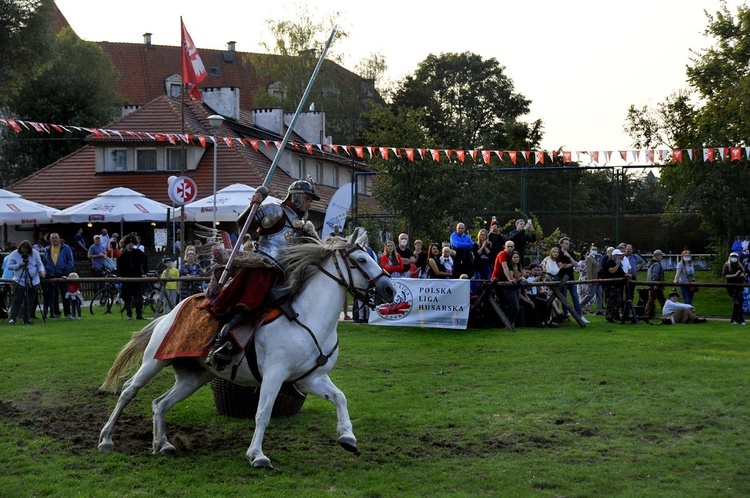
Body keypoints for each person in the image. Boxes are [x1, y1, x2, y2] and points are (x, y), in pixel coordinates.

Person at [206, 180, 321, 368]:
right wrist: (254, 205)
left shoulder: (302, 225)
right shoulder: (276, 211)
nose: (310, 203)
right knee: (248, 306)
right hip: (262, 270)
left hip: (285, 275)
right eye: (308, 199)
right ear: (297, 197)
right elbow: (243, 224)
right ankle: (221, 342)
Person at [6, 240, 45, 325]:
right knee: (17, 299)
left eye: (27, 250)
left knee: (30, 300)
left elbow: (39, 264)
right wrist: (19, 265)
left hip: (33, 280)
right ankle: (13, 319)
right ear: (20, 248)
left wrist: (41, 271)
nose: (25, 251)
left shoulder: (35, 253)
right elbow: (9, 266)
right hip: (19, 280)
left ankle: (27, 319)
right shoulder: (14, 254)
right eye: (23, 250)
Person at [42, 232, 75, 319]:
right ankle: (56, 313)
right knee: (54, 295)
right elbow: (44, 262)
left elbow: (70, 261)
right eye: (52, 238)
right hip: (52, 274)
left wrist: (66, 272)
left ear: (59, 238)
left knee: (65, 294)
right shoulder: (48, 249)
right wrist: (47, 270)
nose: (54, 239)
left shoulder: (66, 248)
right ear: (50, 240)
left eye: (56, 238)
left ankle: (68, 313)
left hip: (63, 274)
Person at [117, 233, 149, 320]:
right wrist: (120, 276)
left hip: (137, 278)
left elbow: (145, 262)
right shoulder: (123, 255)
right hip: (126, 279)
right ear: (126, 244)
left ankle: (139, 315)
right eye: (128, 243)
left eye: (131, 243)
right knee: (126, 298)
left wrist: (145, 273)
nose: (130, 245)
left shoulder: (139, 253)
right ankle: (129, 314)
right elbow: (119, 266)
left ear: (134, 244)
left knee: (138, 297)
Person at [557, 237, 588, 323]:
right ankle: (566, 315)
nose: (568, 245)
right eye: (566, 243)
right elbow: (562, 266)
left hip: (571, 278)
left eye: (568, 243)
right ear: (561, 244)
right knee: (564, 297)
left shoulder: (571, 253)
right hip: (562, 278)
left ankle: (579, 315)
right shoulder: (558, 254)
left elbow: (576, 264)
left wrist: (569, 257)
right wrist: (570, 264)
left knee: (575, 296)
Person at [491, 240, 520, 325]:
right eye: (508, 246)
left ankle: (510, 322)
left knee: (508, 304)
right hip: (497, 280)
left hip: (505, 281)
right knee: (501, 302)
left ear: (514, 247)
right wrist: (509, 279)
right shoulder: (502, 254)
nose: (510, 248)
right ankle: (502, 322)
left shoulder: (512, 256)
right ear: (505, 247)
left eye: (511, 247)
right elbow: (505, 266)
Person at [602, 248, 626, 324]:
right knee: (611, 301)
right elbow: (611, 271)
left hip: (617, 285)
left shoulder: (619, 264)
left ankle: (613, 316)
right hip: (611, 285)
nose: (620, 257)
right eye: (619, 256)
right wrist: (617, 264)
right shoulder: (611, 262)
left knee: (617, 301)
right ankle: (609, 317)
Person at [722, 252, 746, 325]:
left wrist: (742, 276)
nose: (734, 258)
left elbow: (743, 275)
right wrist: (734, 275)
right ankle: (739, 318)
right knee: (736, 301)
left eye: (735, 257)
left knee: (739, 302)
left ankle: (736, 318)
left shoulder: (740, 266)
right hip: (731, 286)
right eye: (732, 257)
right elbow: (724, 275)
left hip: (739, 286)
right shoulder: (727, 265)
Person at [579, 245, 603, 315]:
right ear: (590, 250)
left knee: (599, 294)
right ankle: (579, 306)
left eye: (596, 249)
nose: (595, 250)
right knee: (590, 295)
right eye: (593, 249)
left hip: (598, 279)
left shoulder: (596, 258)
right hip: (593, 279)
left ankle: (599, 310)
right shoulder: (589, 258)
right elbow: (588, 270)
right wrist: (590, 280)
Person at [645, 249, 667, 319]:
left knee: (651, 300)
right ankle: (667, 313)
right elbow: (655, 274)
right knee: (662, 300)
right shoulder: (657, 264)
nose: (662, 257)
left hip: (650, 285)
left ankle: (647, 314)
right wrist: (655, 284)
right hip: (656, 285)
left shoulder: (650, 264)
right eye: (661, 256)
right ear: (657, 256)